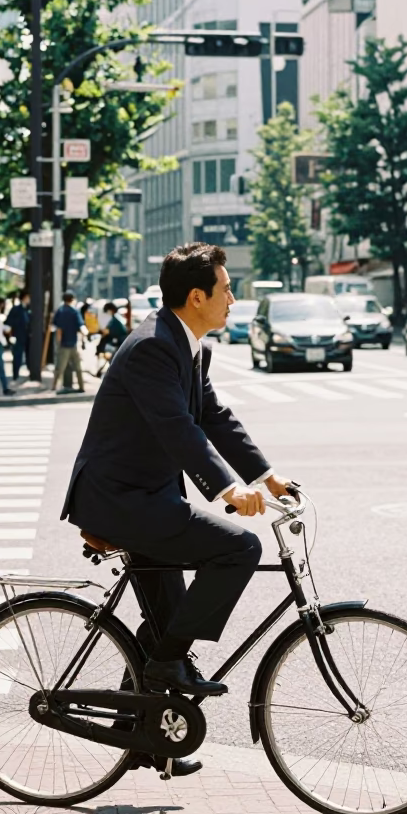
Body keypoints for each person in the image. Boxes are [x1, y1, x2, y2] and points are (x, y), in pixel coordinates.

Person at [61, 243, 294, 778]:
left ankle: (136, 735)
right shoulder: (153, 346)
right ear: (196, 296)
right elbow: (177, 429)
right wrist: (228, 491)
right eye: (227, 288)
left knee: (167, 622)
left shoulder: (185, 345)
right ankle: (167, 667)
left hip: (146, 496)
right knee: (239, 547)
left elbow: (213, 417)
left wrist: (264, 476)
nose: (234, 298)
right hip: (123, 501)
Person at [52, 291, 86, 393]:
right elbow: (81, 327)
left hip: (63, 344)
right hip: (73, 343)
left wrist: (58, 343)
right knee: (78, 366)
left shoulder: (60, 311)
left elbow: (58, 330)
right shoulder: (75, 311)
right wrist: (84, 339)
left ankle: (54, 387)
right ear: (72, 299)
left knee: (59, 367)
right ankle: (81, 386)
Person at [95, 301, 128, 378]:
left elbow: (108, 331)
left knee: (113, 359)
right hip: (119, 341)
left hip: (118, 341)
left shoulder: (115, 319)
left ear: (111, 310)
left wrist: (99, 332)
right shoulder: (116, 318)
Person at [4, 290, 31, 380]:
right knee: (17, 356)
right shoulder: (16, 309)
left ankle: (30, 371)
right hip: (18, 336)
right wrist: (11, 336)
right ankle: (15, 374)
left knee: (28, 355)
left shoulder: (28, 309)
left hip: (27, 336)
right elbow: (9, 323)